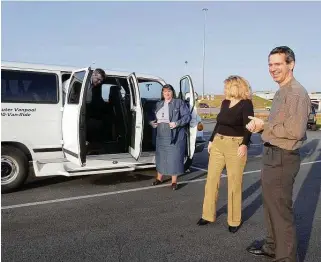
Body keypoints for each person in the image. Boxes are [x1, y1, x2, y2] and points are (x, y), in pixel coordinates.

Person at [245, 46, 310, 262]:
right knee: (271, 206)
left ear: (291, 64)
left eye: (278, 64)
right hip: (273, 154)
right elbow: (281, 123)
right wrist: (262, 125)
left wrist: (265, 126)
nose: (272, 69)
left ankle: (286, 257)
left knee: (281, 213)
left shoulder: (295, 93)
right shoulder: (282, 90)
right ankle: (272, 246)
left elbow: (296, 131)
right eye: (270, 64)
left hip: (283, 157)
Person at [197, 75, 254, 233]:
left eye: (226, 86)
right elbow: (219, 123)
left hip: (235, 145)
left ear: (235, 87)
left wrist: (244, 144)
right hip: (218, 143)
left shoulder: (246, 104)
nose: (224, 89)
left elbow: (248, 126)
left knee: (234, 183)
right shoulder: (225, 102)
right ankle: (207, 215)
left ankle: (234, 220)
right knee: (211, 181)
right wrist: (210, 140)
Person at [149, 84, 191, 190]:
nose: (167, 94)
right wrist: (152, 123)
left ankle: (174, 181)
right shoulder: (159, 104)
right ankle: (159, 178)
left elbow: (187, 117)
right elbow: (153, 116)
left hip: (174, 134)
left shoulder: (179, 102)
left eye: (169, 91)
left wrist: (177, 123)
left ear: (172, 92)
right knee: (161, 157)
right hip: (161, 132)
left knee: (174, 158)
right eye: (164, 92)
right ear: (162, 93)